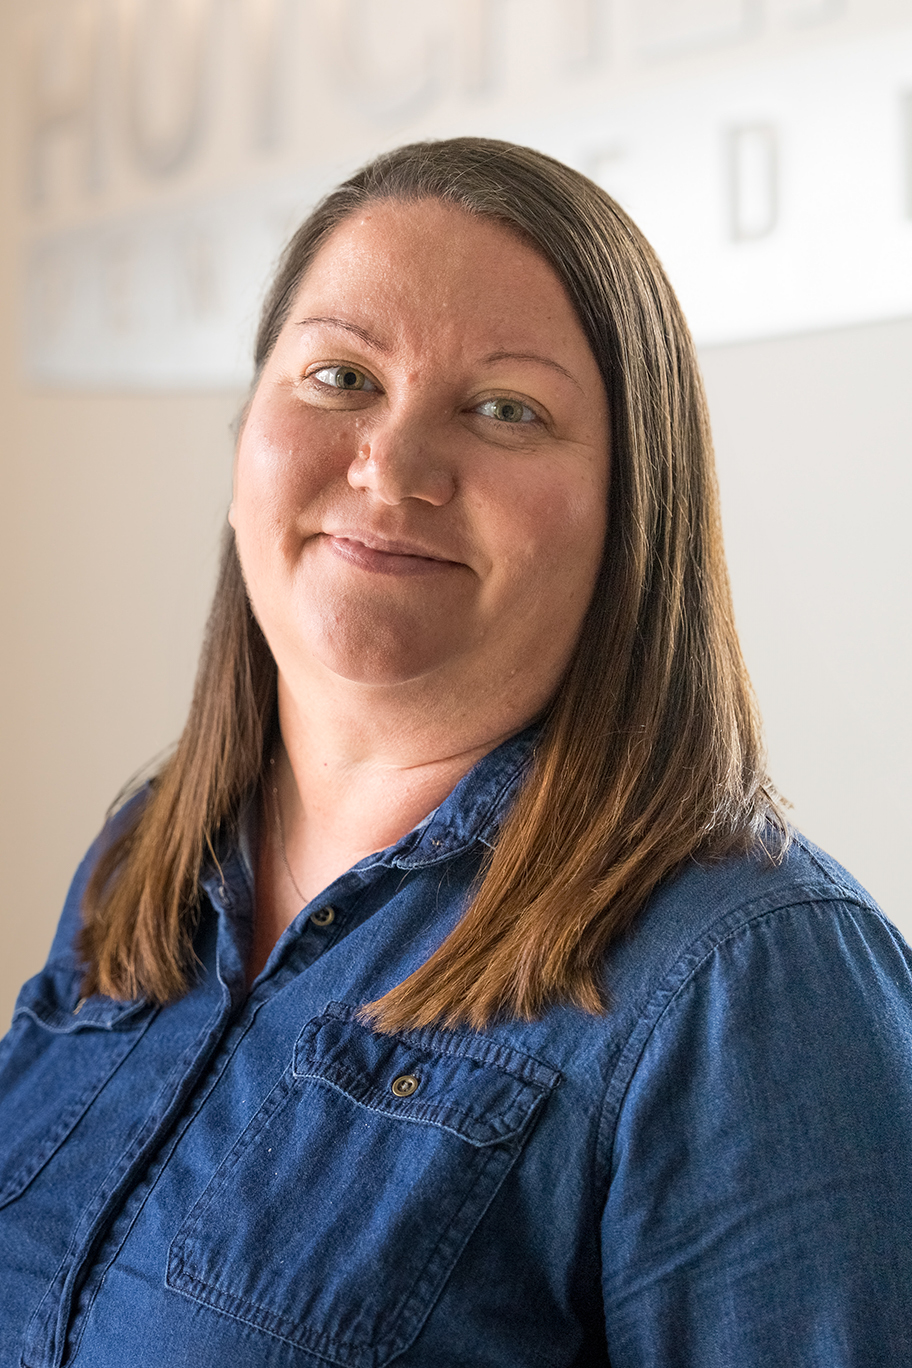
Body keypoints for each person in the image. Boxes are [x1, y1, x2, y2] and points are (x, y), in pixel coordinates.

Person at [1, 137, 910, 1368]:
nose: (393, 461)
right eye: (339, 376)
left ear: (630, 517)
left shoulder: (752, 975)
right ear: (243, 444)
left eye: (505, 409)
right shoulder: (146, 862)